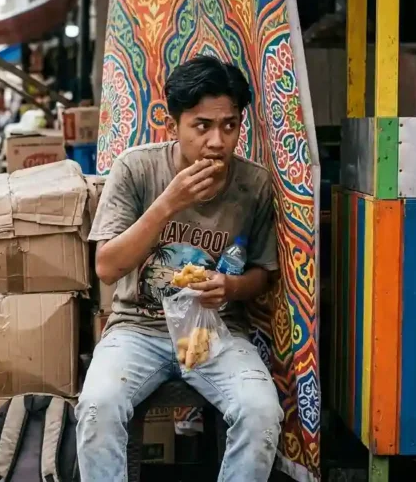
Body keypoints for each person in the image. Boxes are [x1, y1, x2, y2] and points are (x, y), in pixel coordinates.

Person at [77, 56, 283, 480]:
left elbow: (263, 275)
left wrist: (230, 286)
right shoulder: (137, 168)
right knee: (98, 405)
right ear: (174, 126)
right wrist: (168, 202)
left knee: (261, 411)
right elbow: (106, 267)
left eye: (229, 125)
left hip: (217, 331)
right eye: (202, 126)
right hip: (137, 327)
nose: (216, 141)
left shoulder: (254, 184)